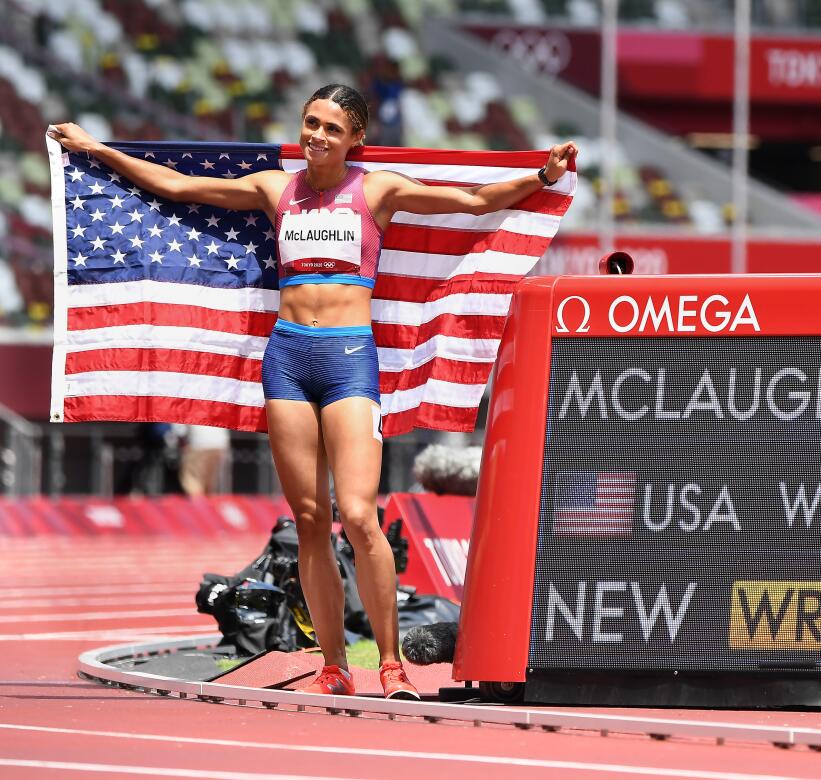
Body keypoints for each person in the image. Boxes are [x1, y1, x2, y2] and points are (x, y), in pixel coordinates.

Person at [50, 83, 577, 700]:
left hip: (350, 358)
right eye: (311, 123)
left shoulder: (376, 190)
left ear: (355, 139)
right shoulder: (275, 188)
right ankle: (333, 664)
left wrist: (540, 176)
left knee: (358, 514)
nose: (317, 136)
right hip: (288, 357)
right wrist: (95, 148)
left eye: (332, 128)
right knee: (309, 519)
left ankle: (390, 663)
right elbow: (177, 187)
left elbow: (471, 200)